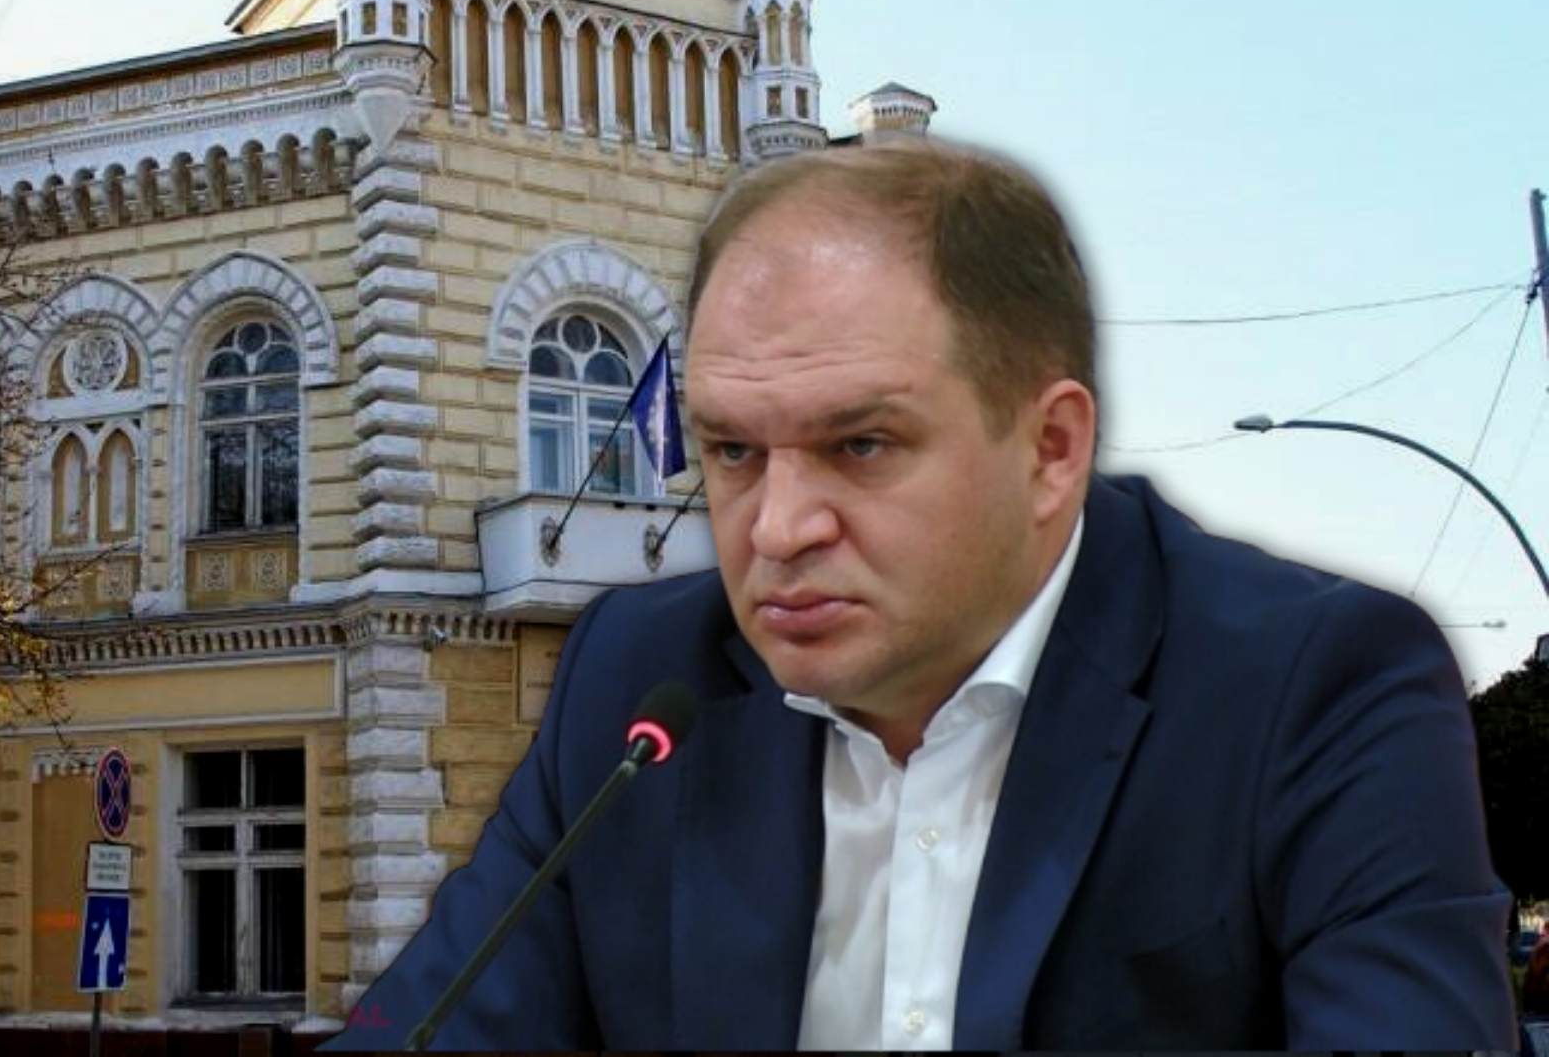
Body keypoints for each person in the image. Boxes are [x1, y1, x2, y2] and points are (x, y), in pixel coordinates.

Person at [324, 140, 1516, 1049]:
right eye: (732, 451)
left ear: (1050, 450)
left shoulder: (1321, 689)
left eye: (862, 445)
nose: (777, 529)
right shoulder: (633, 688)